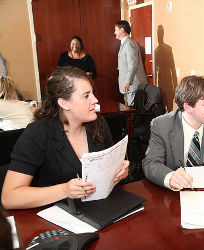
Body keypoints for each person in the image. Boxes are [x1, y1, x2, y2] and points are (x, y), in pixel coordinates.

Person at [1, 66, 129, 209]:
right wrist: (64, 190)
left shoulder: (98, 124)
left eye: (93, 93)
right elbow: (9, 197)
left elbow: (108, 170)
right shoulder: (38, 133)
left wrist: (120, 170)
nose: (95, 100)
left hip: (97, 209)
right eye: (86, 96)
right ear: (64, 103)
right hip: (53, 217)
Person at [114, 20, 147, 107]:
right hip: (129, 86)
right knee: (129, 109)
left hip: (132, 85)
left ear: (122, 30)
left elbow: (133, 64)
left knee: (132, 110)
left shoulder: (129, 44)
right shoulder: (125, 43)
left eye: (116, 30)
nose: (114, 32)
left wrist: (128, 81)